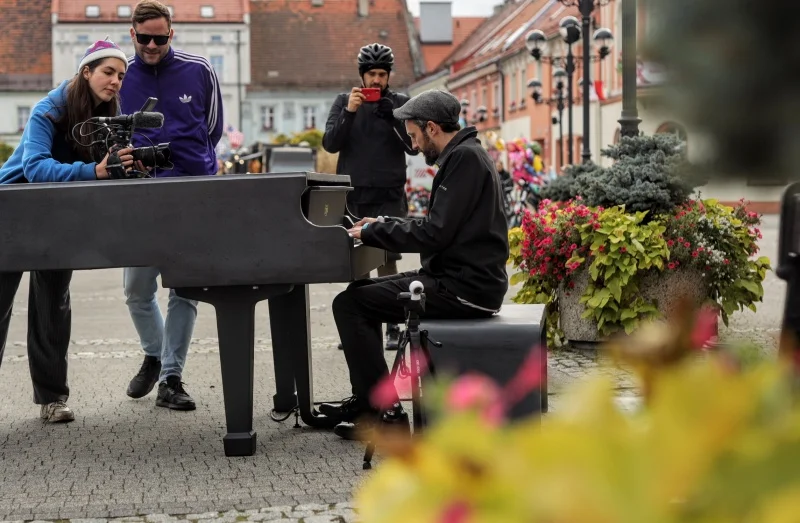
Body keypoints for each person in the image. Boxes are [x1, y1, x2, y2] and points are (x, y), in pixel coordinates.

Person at [322, 90, 510, 440]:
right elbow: (441, 227)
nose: (415, 145)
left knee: (349, 305)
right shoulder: (464, 156)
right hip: (457, 278)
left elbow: (434, 233)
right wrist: (380, 222)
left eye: (414, 136)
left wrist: (376, 231)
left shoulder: (465, 160)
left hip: (465, 289)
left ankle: (385, 413)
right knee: (357, 293)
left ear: (432, 128)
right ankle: (368, 402)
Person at [0, 38, 133, 423]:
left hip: (58, 215)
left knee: (53, 305)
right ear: (86, 71)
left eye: (121, 75)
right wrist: (94, 171)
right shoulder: (49, 109)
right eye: (108, 72)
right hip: (14, 208)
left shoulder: (107, 116)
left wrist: (125, 166)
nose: (115, 82)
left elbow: (104, 172)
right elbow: (36, 168)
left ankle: (52, 398)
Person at [119, 0, 223, 411]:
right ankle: (155, 352)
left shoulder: (199, 70)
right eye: (143, 38)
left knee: (184, 289)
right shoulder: (122, 75)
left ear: (171, 34)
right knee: (136, 290)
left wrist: (191, 163)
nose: (151, 45)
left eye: (159, 38)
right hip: (140, 194)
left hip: (190, 193)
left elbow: (212, 130)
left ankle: (171, 378)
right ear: (133, 33)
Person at [322, 42, 418, 351]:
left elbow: (412, 146)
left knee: (387, 259)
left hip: (389, 194)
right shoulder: (343, 102)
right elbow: (330, 144)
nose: (376, 81)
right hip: (356, 194)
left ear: (389, 76)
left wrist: (393, 117)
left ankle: (392, 326)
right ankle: (360, 326)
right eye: (371, 74)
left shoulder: (400, 103)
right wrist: (350, 112)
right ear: (361, 76)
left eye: (382, 74)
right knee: (359, 260)